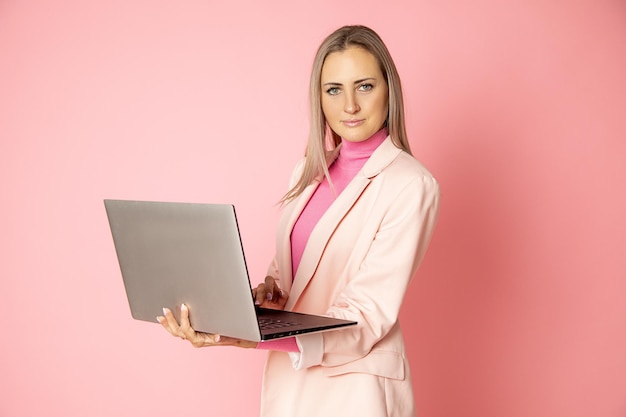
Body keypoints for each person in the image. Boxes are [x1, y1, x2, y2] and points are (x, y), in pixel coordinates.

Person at [157, 24, 440, 417]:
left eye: (365, 86)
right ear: (319, 98)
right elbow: (291, 279)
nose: (350, 106)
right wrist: (261, 298)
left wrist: (246, 337)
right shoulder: (306, 174)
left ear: (389, 90)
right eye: (334, 90)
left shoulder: (411, 185)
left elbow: (366, 316)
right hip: (292, 385)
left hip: (356, 390)